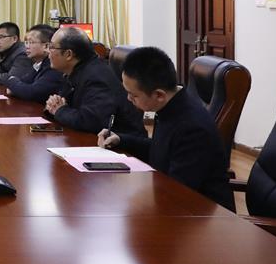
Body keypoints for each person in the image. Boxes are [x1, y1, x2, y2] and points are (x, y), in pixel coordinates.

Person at [99, 47, 235, 211]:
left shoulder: (192, 128)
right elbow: (161, 150)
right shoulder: (170, 106)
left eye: (133, 95)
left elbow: (177, 192)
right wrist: (121, 140)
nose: (128, 99)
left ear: (159, 95)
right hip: (176, 205)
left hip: (203, 217)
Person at [45, 26, 147, 136]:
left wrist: (59, 111)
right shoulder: (76, 71)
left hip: (121, 143)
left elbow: (91, 122)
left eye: (51, 47)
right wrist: (55, 106)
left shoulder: (96, 77)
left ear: (68, 54)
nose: (48, 51)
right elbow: (62, 104)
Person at [5, 24, 65, 103]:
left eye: (31, 42)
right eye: (26, 42)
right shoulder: (39, 64)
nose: (27, 46)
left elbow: (32, 92)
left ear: (46, 46)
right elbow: (23, 82)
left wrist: (11, 80)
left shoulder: (53, 66)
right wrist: (16, 88)